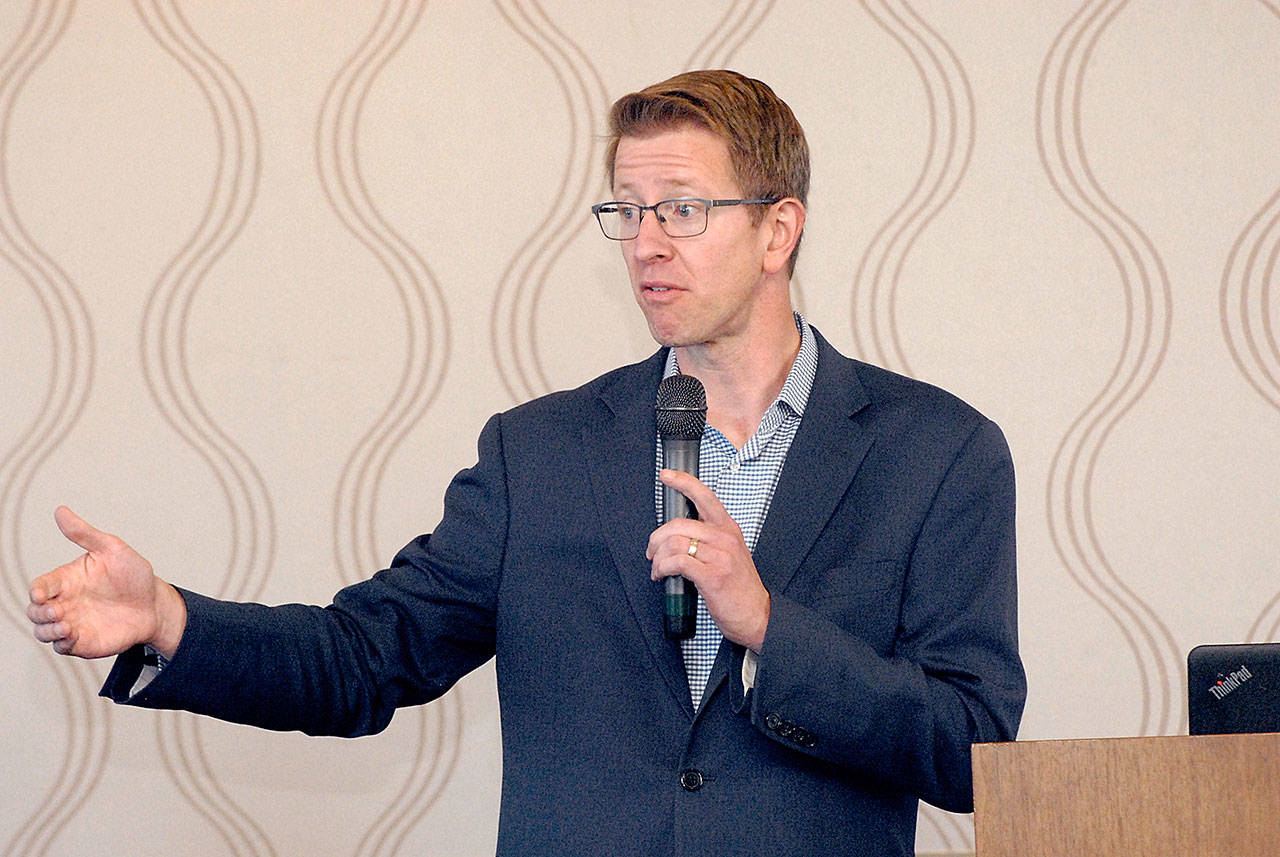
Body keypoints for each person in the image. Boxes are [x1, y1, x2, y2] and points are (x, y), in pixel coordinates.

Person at [27, 70, 1025, 856]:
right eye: (624, 211)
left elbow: (972, 749)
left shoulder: (934, 452)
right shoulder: (540, 450)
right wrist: (170, 618)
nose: (643, 244)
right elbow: (364, 655)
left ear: (778, 228)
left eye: (679, 209)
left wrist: (765, 622)